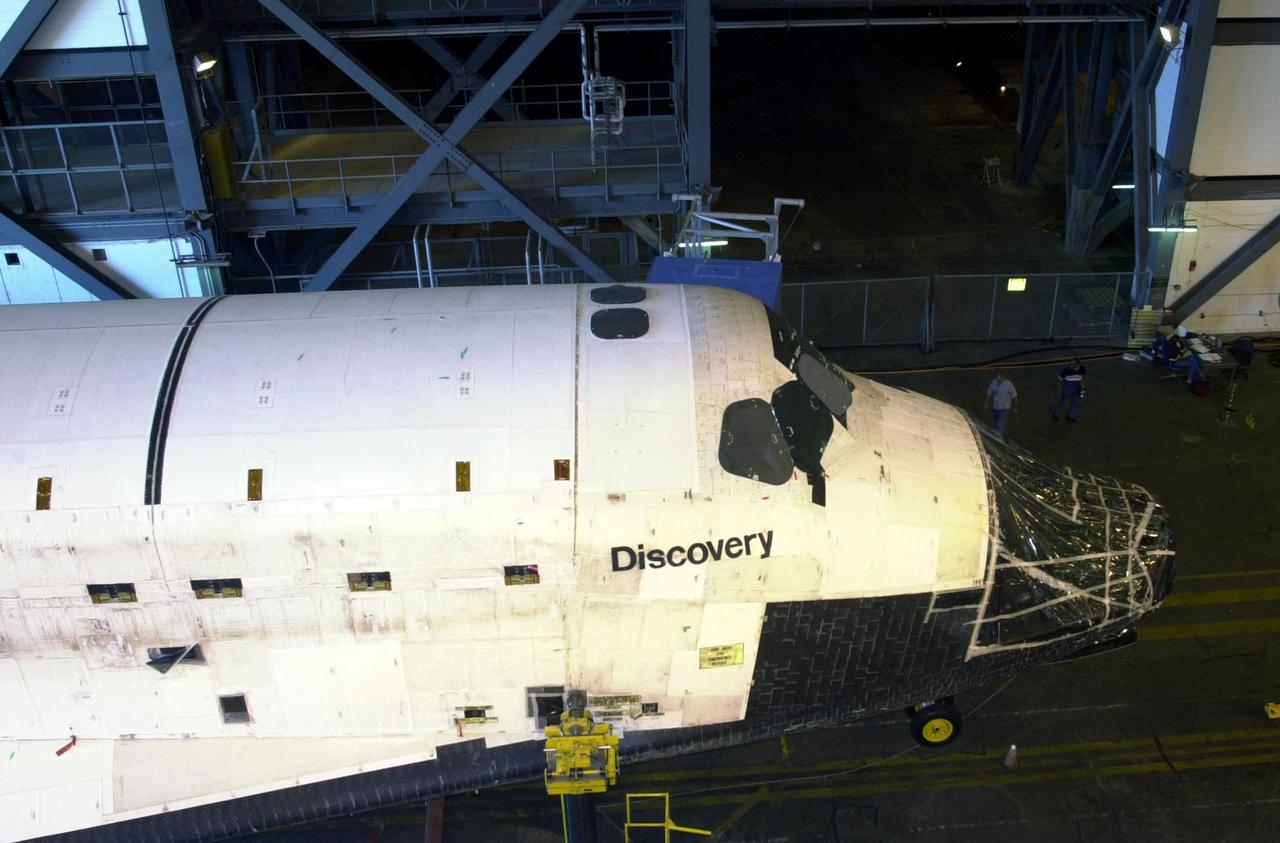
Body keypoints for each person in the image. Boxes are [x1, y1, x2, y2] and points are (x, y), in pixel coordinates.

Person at [984, 373, 1018, 438]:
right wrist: (986, 403)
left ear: (1003, 378)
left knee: (1000, 424)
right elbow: (989, 393)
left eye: (1000, 378)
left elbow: (1015, 395)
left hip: (1005, 408)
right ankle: (998, 435)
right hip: (995, 407)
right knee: (996, 423)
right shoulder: (993, 382)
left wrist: (1015, 407)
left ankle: (999, 439)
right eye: (998, 377)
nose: (998, 379)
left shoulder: (1009, 384)